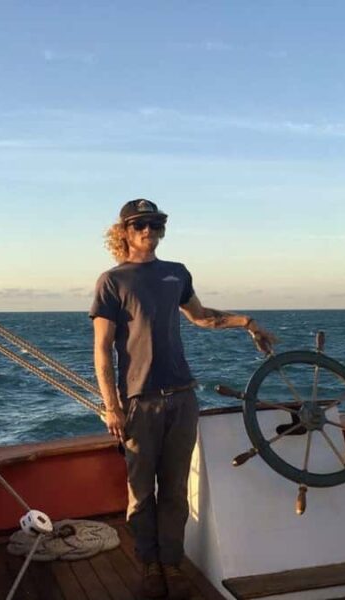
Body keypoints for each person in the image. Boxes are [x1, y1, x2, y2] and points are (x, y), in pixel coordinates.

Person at [90, 199, 276, 599]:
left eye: (156, 223)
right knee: (141, 493)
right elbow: (102, 349)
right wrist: (112, 405)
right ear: (124, 232)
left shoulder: (176, 273)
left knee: (174, 491)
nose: (149, 230)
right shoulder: (112, 281)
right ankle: (149, 564)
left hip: (182, 398)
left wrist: (247, 323)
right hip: (138, 402)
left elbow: (202, 316)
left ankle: (171, 564)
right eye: (140, 224)